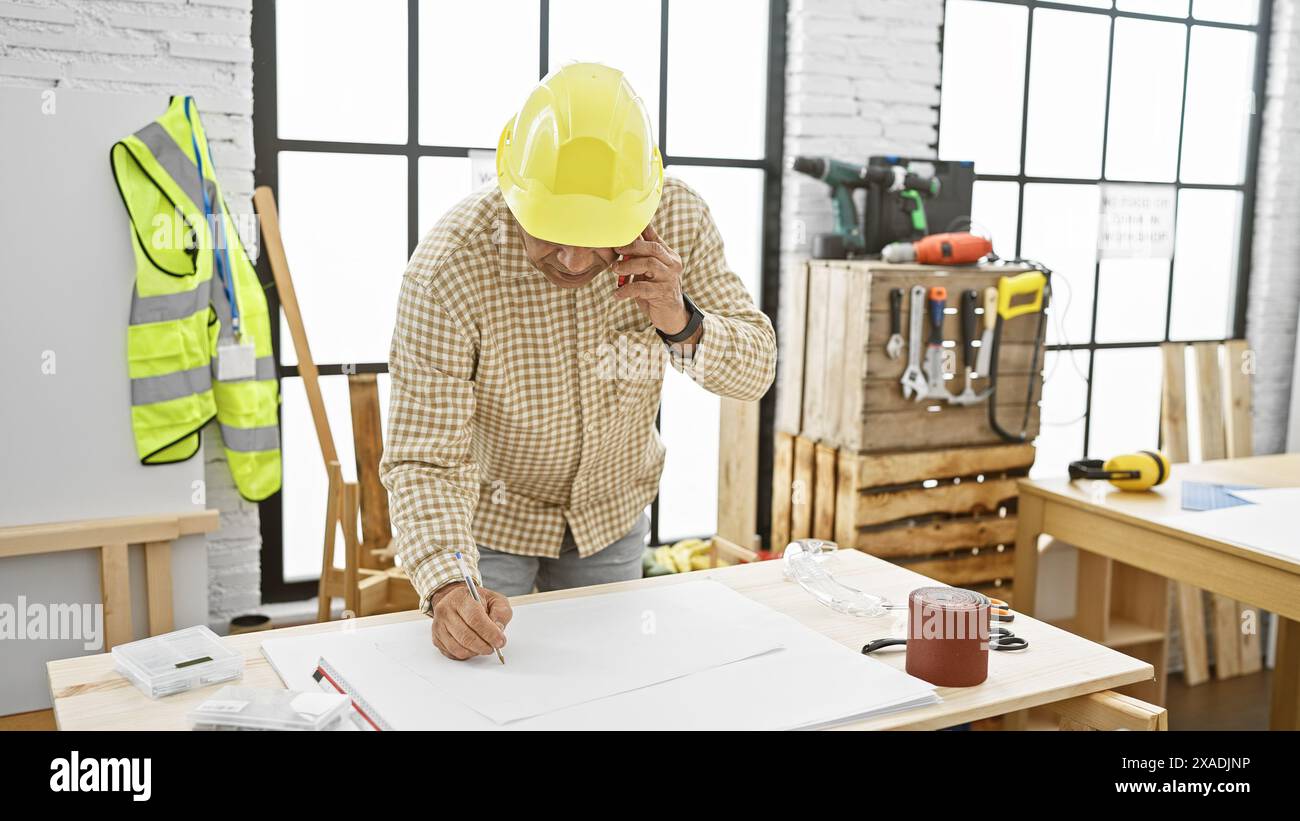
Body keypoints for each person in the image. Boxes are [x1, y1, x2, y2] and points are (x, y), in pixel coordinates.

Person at [379, 62, 776, 661]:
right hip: (490, 528)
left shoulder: (679, 221)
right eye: (549, 229)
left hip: (613, 518)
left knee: (608, 688)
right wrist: (446, 581)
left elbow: (756, 372)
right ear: (513, 189)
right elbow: (424, 458)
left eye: (596, 234)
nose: (569, 259)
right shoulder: (449, 268)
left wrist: (681, 317)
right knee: (487, 687)